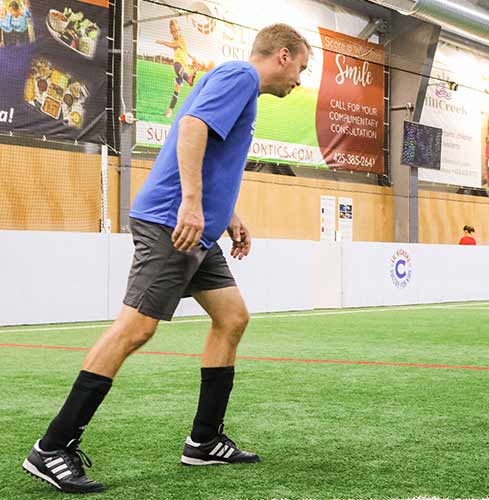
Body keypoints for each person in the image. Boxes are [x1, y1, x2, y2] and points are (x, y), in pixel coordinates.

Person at [22, 23, 311, 493]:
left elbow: (204, 146)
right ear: (282, 55)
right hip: (171, 225)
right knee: (134, 329)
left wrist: (227, 212)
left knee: (233, 317)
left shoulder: (237, 85)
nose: (299, 79)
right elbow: (193, 129)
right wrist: (193, 203)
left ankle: (204, 441)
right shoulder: (240, 76)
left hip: (199, 231)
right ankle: (52, 447)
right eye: (301, 67)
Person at [158, 20, 199, 118]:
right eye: (172, 31)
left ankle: (170, 110)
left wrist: (162, 42)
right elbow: (181, 49)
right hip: (180, 67)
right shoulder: (177, 41)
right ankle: (188, 78)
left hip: (182, 68)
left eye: (176, 30)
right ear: (171, 32)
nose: (175, 33)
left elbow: (176, 47)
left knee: (177, 91)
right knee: (183, 81)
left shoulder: (180, 40)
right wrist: (193, 57)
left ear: (179, 30)